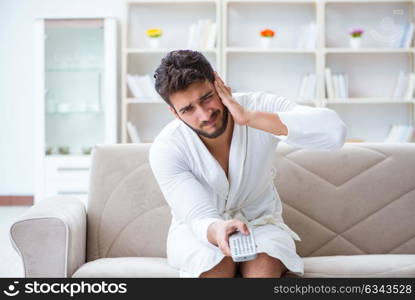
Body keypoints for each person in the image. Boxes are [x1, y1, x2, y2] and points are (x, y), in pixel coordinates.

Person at [149, 50, 347, 278]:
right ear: (174, 113)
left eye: (206, 98)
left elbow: (334, 132)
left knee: (263, 266)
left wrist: (249, 118)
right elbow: (198, 216)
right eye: (188, 109)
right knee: (216, 265)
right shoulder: (168, 147)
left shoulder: (258, 106)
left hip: (261, 224)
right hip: (200, 232)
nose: (204, 115)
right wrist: (217, 230)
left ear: (218, 83)